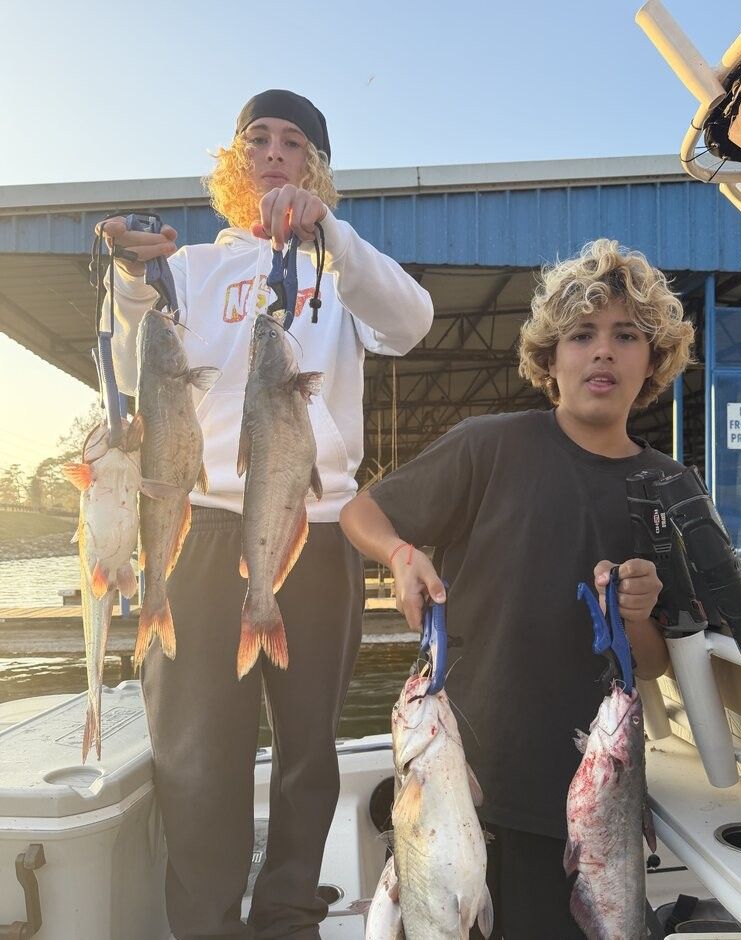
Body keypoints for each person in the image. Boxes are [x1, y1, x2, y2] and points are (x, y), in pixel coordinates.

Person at [99, 89, 433, 940]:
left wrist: (332, 235)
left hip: (313, 528)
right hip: (201, 526)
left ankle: (288, 914)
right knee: (196, 751)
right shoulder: (198, 266)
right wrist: (132, 271)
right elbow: (131, 351)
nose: (275, 152)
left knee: (307, 748)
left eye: (294, 143)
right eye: (259, 139)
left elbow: (412, 322)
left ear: (314, 167)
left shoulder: (340, 266)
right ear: (235, 160)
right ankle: (206, 924)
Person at [339, 238, 695, 938]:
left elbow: (653, 662)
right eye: (582, 334)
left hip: (587, 810)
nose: (603, 352)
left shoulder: (672, 491)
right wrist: (401, 552)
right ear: (549, 357)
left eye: (627, 336)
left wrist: (638, 613)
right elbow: (362, 510)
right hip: (458, 789)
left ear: (653, 360)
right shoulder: (489, 445)